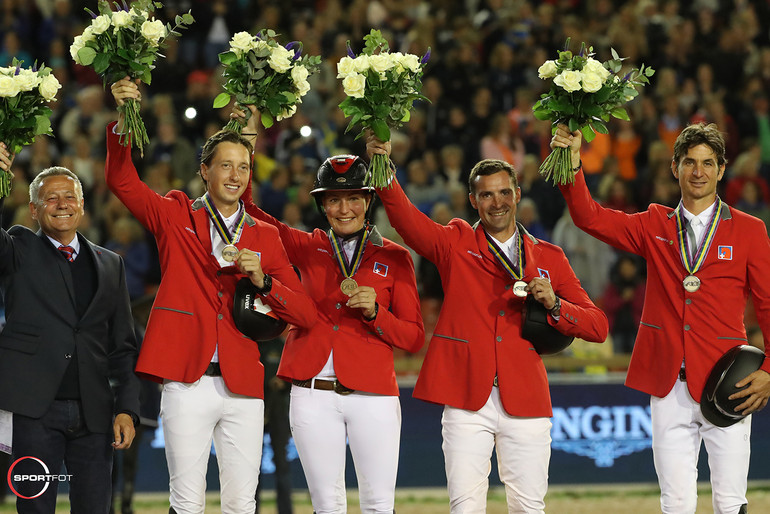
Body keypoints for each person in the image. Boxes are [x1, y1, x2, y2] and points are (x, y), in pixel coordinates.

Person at [107, 79, 317, 514]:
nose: (235, 175)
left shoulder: (266, 235)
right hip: (187, 380)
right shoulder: (175, 213)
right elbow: (122, 181)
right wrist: (125, 120)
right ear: (205, 170)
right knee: (187, 503)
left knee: (242, 505)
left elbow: (305, 314)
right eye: (225, 166)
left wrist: (265, 282)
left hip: (242, 382)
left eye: (243, 167)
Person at [367, 138, 608, 513]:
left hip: (525, 397)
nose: (497, 202)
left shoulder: (550, 257)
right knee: (465, 507)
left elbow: (598, 327)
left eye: (504, 193)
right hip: (466, 399)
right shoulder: (454, 243)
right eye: (487, 195)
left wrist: (557, 305)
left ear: (517, 193)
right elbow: (406, 220)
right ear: (473, 200)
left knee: (529, 508)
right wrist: (382, 165)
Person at [552, 121, 770, 514]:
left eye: (707, 163)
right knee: (675, 503)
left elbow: (769, 303)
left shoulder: (750, 231)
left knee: (731, 501)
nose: (698, 171)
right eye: (689, 162)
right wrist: (572, 162)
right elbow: (590, 218)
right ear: (675, 167)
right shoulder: (654, 224)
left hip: (727, 383)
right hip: (668, 384)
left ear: (721, 169)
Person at [234, 106, 425, 514]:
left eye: (353, 198)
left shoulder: (395, 257)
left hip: (373, 394)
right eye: (334, 200)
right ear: (322, 206)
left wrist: (378, 315)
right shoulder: (306, 246)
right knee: (326, 505)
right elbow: (249, 212)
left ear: (368, 200)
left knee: (377, 506)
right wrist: (248, 142)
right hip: (310, 392)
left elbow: (412, 337)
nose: (344, 210)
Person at [0, 142, 140, 514]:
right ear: (33, 210)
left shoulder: (111, 263)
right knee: (35, 510)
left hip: (95, 415)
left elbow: (123, 345)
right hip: (34, 412)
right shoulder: (19, 248)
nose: (62, 203)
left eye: (69, 196)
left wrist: (127, 408)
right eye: (50, 198)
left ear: (82, 204)